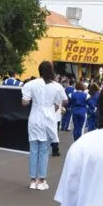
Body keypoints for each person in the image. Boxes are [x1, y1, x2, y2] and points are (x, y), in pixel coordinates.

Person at [22, 61, 66, 191]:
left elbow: (25, 102)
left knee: (33, 149)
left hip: (34, 117)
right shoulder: (57, 87)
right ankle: (41, 180)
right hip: (48, 119)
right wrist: (51, 108)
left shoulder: (31, 84)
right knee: (44, 151)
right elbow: (62, 102)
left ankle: (32, 180)